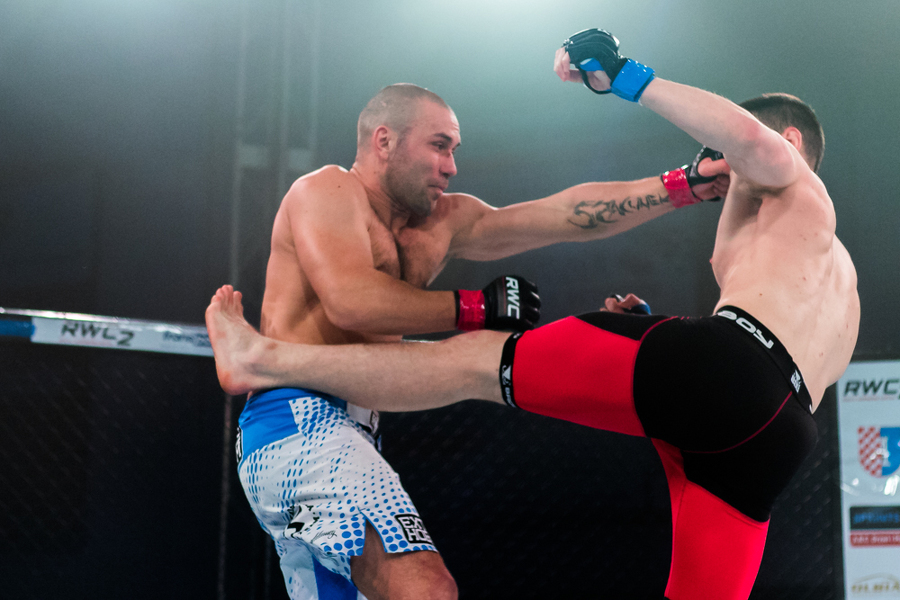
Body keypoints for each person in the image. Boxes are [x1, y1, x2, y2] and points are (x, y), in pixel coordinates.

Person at [230, 80, 729, 600]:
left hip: (344, 431)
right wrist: (475, 307)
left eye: (454, 150)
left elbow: (562, 216)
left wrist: (683, 185)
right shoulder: (327, 191)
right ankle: (252, 357)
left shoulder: (442, 222)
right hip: (299, 421)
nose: (451, 166)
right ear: (384, 141)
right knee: (426, 591)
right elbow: (351, 300)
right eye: (438, 145)